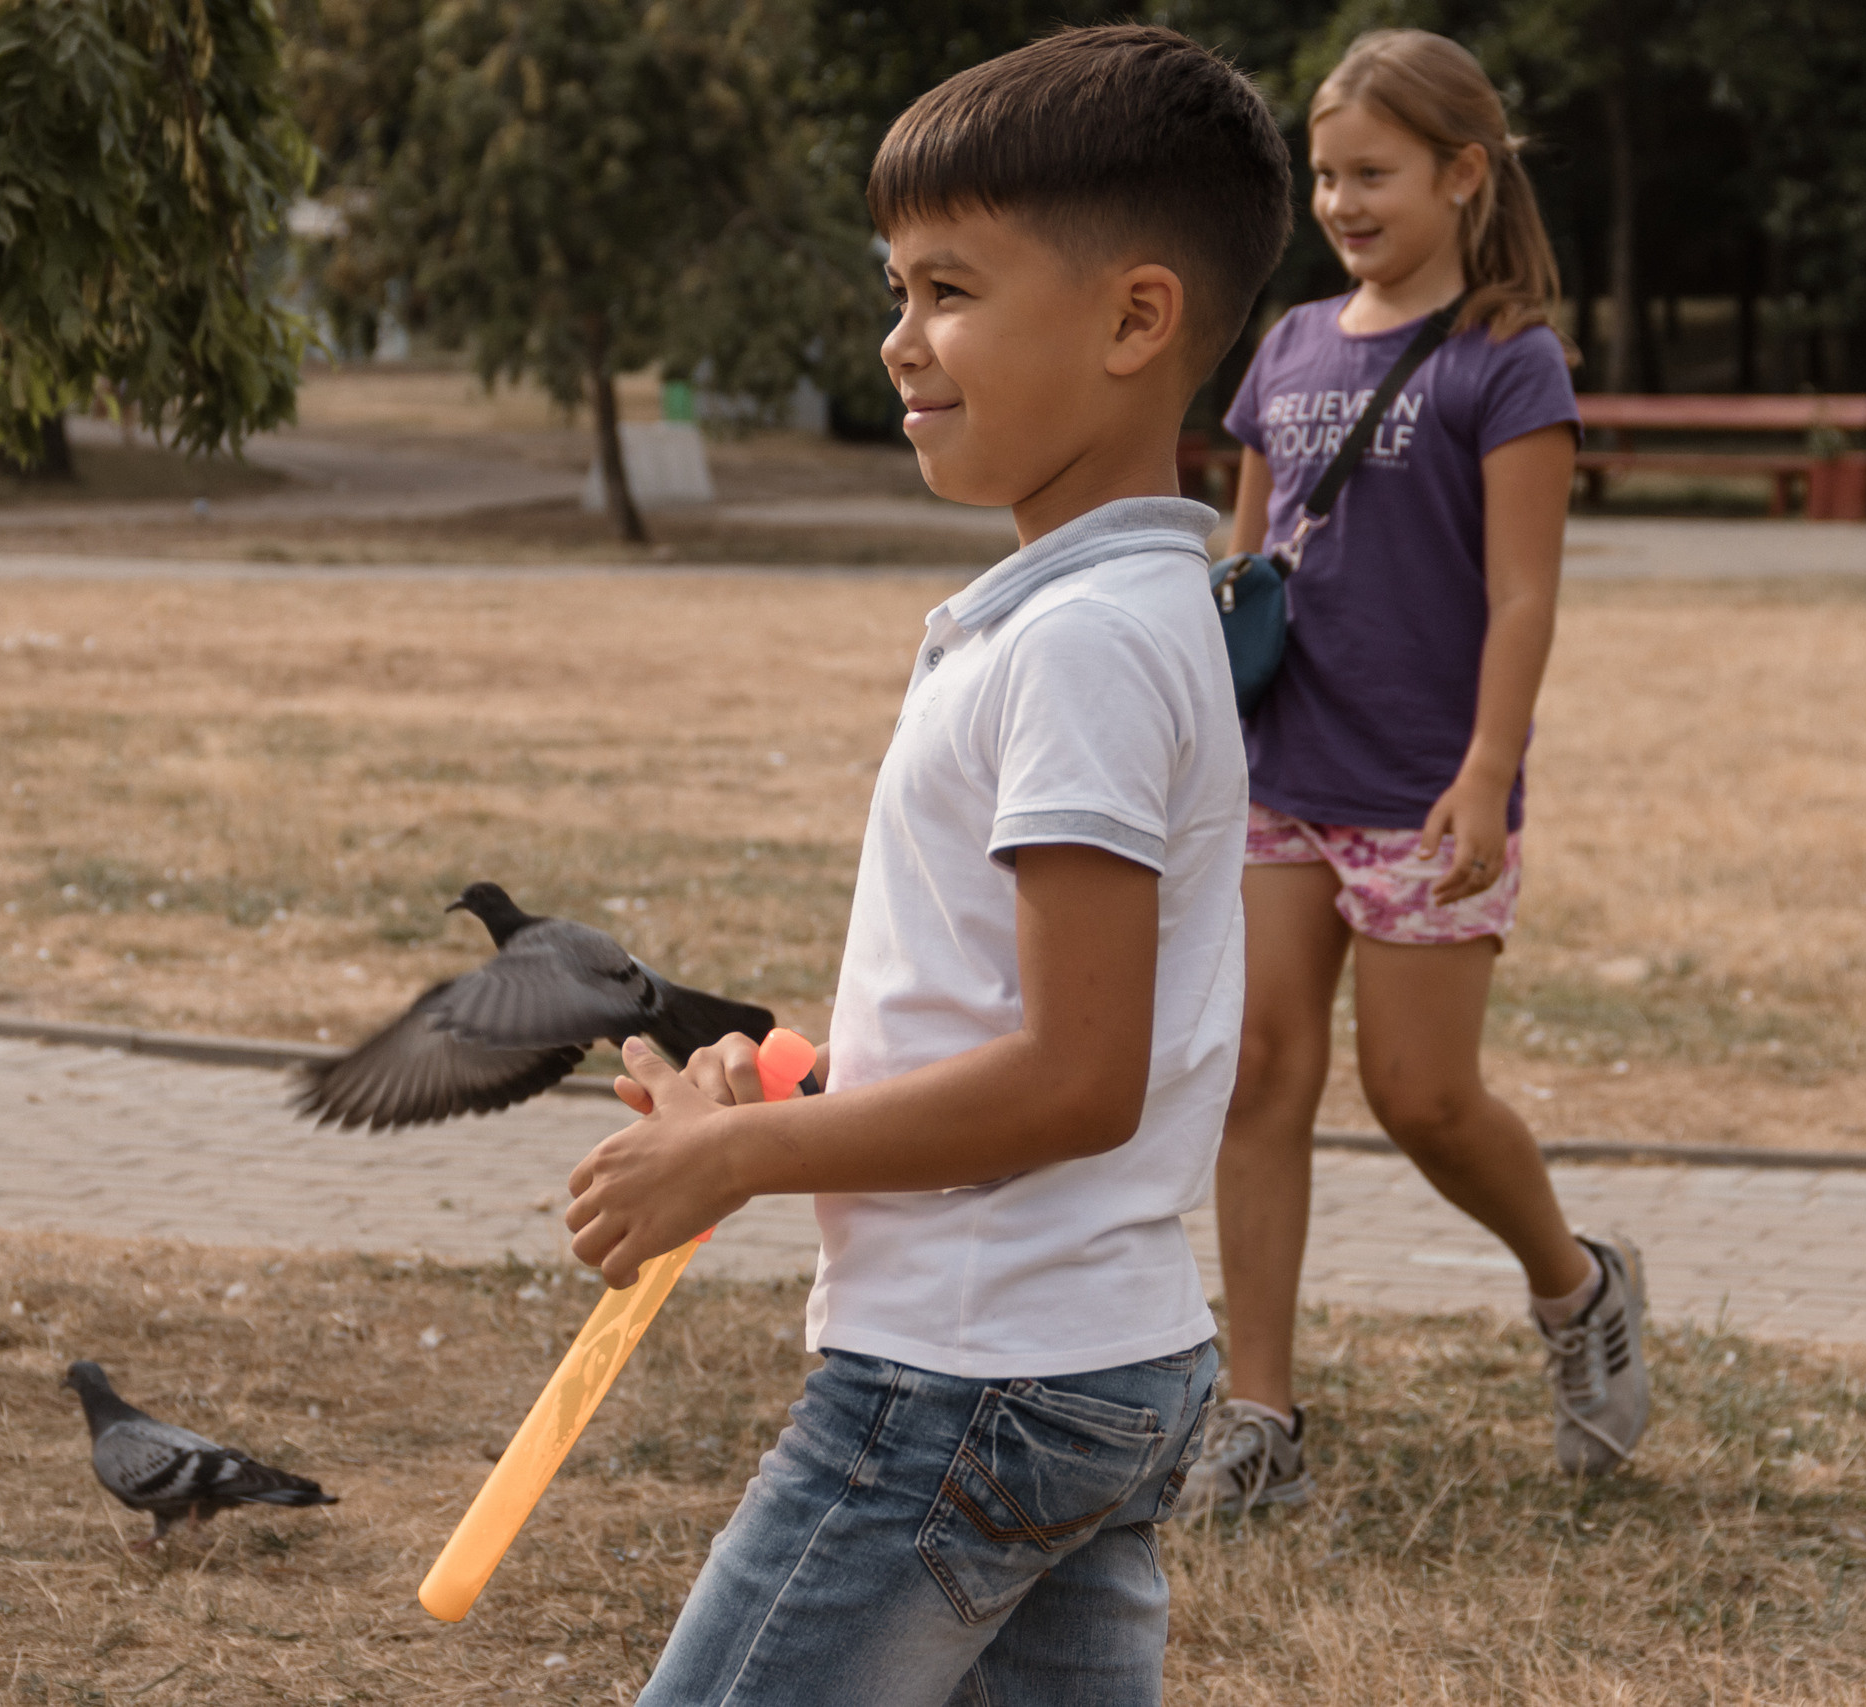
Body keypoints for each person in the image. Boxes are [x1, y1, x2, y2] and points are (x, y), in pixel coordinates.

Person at [560, 25, 1291, 1703]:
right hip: (1092, 1367)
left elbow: (1076, 1076)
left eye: (949, 290)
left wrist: (740, 1167)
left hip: (963, 1387)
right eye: (896, 291)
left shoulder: (1089, 645)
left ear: (1134, 319)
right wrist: (791, 1087)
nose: (900, 342)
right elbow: (1005, 1007)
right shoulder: (1100, 612)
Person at [1189, 28, 1650, 1517]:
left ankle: (1577, 1288)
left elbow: (1524, 594)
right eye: (1325, 175)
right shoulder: (1288, 346)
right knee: (1259, 1071)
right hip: (1282, 774)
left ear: (1463, 175)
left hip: (1422, 789)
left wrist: (1485, 772)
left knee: (1423, 1097)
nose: (1340, 202)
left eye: (1371, 173)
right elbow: (1243, 558)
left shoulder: (1506, 363)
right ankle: (1258, 1417)